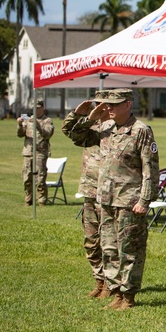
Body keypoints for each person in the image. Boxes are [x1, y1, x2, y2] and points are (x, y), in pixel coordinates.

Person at [65, 89, 159, 310]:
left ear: (127, 104)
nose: (108, 108)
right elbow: (77, 137)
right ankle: (116, 292)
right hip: (105, 199)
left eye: (113, 105)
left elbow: (150, 168)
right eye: (107, 105)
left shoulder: (141, 130)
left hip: (129, 200)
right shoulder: (105, 128)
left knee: (130, 250)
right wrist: (90, 118)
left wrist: (144, 200)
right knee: (109, 249)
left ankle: (128, 296)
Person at [62, 90, 110, 298]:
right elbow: (69, 132)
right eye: (96, 104)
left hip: (110, 194)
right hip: (90, 191)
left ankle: (111, 284)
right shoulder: (90, 128)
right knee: (91, 240)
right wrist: (77, 114)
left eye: (103, 104)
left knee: (109, 241)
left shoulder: (117, 129)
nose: (99, 108)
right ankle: (99, 280)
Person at [17, 98, 54, 205]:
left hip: (40, 152)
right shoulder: (27, 118)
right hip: (28, 151)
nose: (36, 110)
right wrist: (19, 124)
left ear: (42, 108)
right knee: (27, 177)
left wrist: (37, 125)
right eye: (34, 108)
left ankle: (42, 200)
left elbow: (48, 134)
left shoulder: (47, 120)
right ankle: (28, 199)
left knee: (40, 178)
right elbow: (20, 134)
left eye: (38, 108)